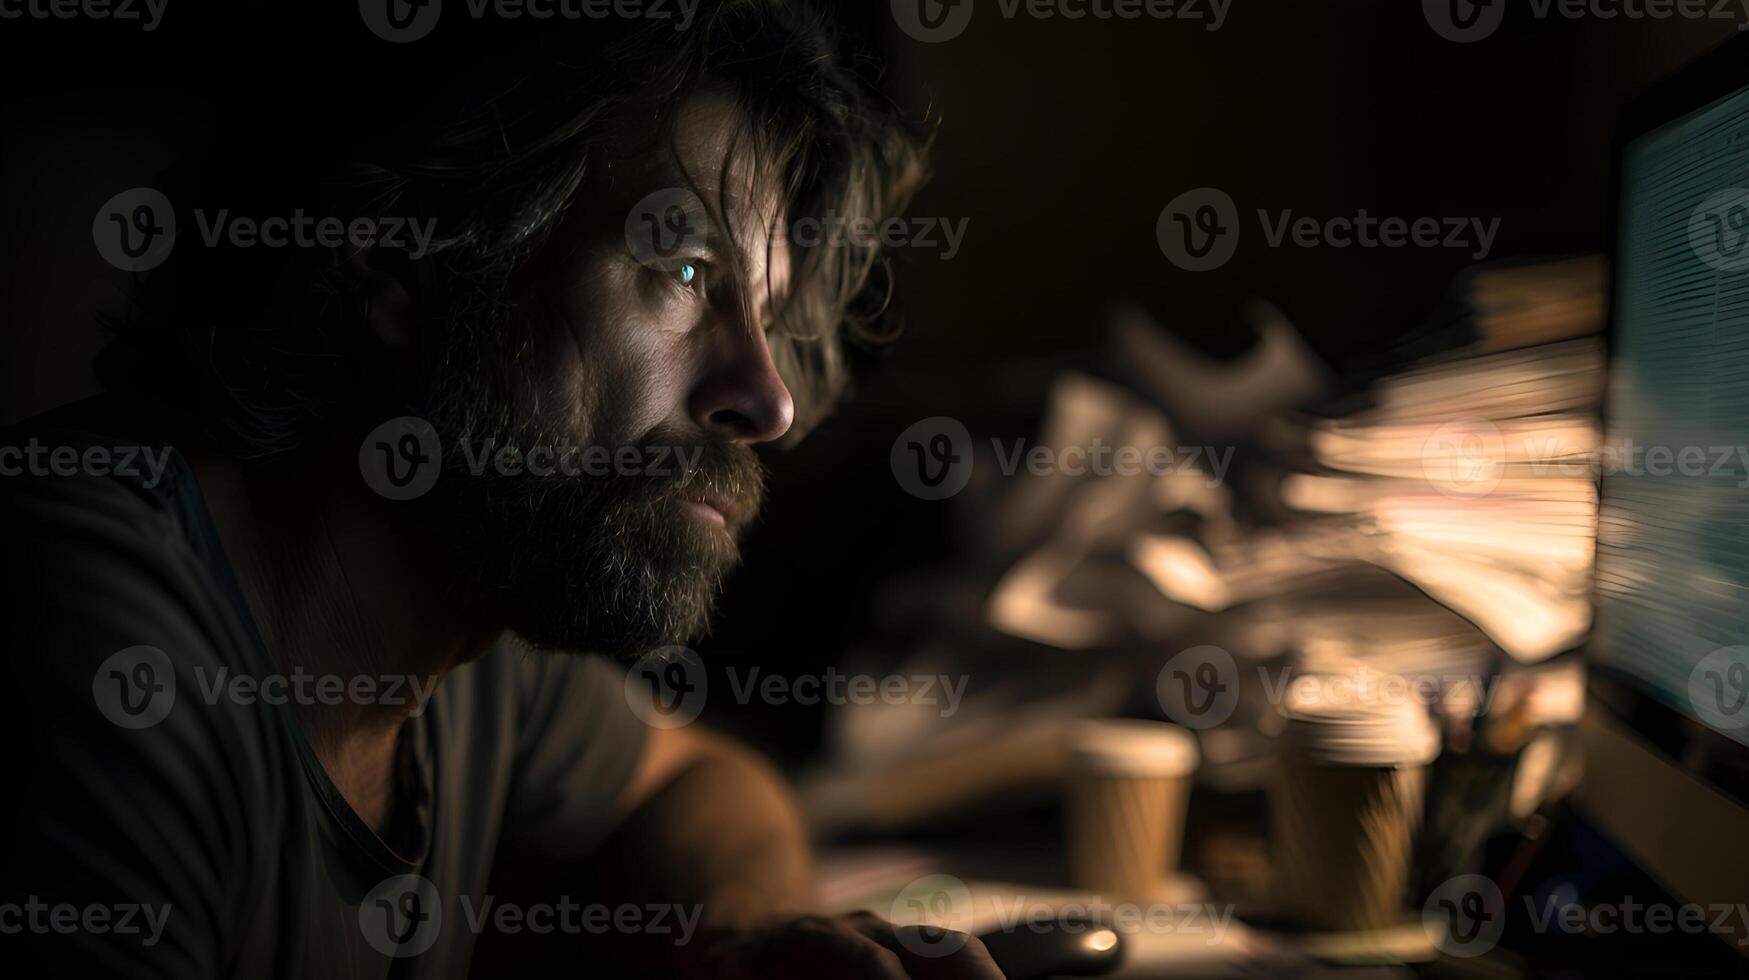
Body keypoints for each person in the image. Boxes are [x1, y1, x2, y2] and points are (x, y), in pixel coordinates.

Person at [0, 2, 1001, 976]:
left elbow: (701, 777)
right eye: (690, 271)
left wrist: (744, 937)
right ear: (406, 257)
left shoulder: (463, 624)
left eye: (769, 312)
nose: (769, 398)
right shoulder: (100, 647)